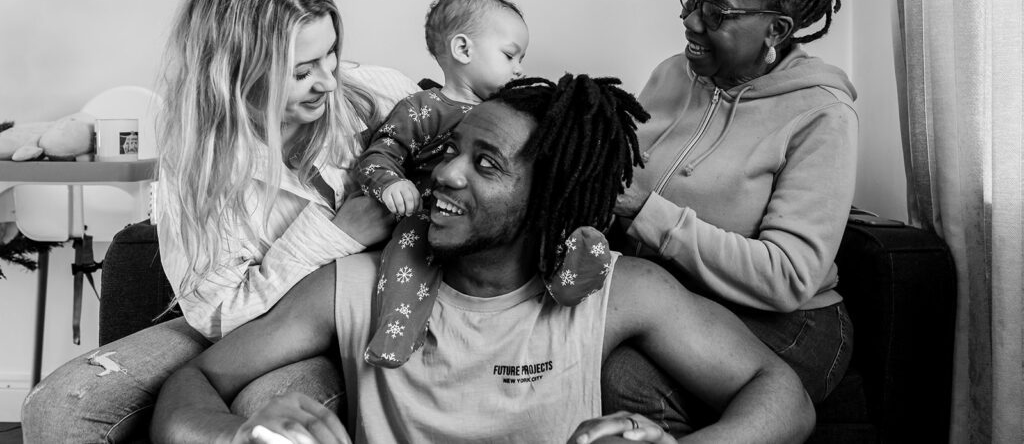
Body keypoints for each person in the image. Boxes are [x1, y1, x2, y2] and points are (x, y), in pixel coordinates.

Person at [150, 75, 816, 444]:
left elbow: (780, 390)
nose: (446, 172)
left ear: (548, 196)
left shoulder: (619, 290)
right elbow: (192, 383)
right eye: (451, 149)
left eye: (486, 163)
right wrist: (232, 437)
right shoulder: (353, 286)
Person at [20, 0, 418, 442]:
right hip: (241, 329)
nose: (329, 81)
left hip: (356, 315)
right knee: (58, 409)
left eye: (331, 53)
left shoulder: (378, 97)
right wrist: (335, 235)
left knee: (271, 406)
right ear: (236, 71)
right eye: (301, 71)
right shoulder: (198, 166)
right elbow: (218, 318)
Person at [604, 0, 857, 432]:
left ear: (777, 30)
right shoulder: (671, 73)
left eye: (716, 12)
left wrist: (651, 213)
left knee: (625, 379)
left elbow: (788, 277)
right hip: (676, 297)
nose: (690, 20)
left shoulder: (821, 115)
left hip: (787, 320)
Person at [358, 0, 609, 368]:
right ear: (463, 49)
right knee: (406, 259)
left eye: (521, 59)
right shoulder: (422, 108)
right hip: (429, 212)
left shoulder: (512, 113)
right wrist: (392, 183)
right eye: (510, 55)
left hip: (493, 213)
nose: (520, 68)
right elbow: (378, 155)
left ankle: (570, 270)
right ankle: (397, 331)